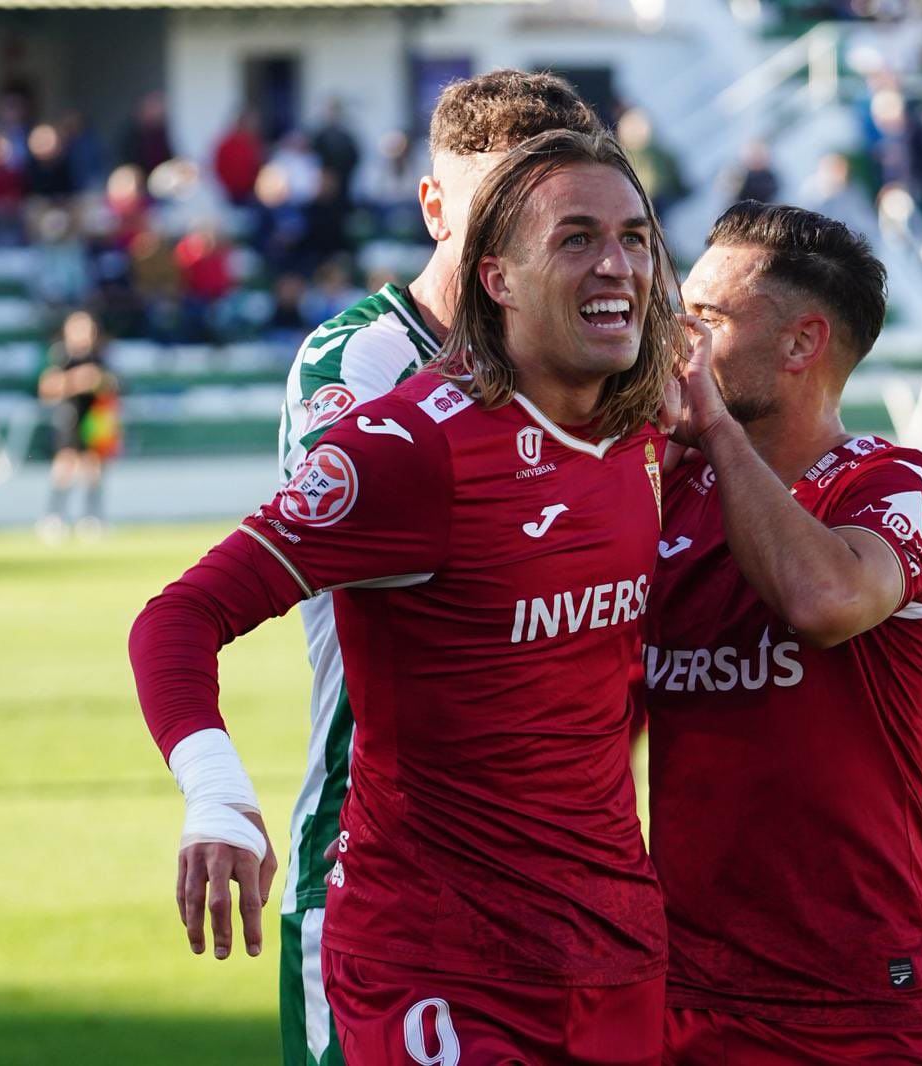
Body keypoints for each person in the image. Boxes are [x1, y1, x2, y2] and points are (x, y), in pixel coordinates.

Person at [128, 127, 680, 1064]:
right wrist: (216, 793)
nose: (617, 265)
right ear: (496, 279)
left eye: (635, 237)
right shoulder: (409, 449)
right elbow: (178, 618)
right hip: (440, 966)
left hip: (612, 951)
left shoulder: (645, 435)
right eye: (577, 238)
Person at [270, 72, 603, 1066]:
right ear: (432, 208)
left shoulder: (591, 363)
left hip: (562, 865)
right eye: (492, 203)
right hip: (378, 853)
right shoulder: (360, 362)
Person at [646, 201, 922, 1063]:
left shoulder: (891, 482)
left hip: (854, 989)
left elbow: (823, 601)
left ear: (801, 345)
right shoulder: (670, 492)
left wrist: (711, 426)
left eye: (708, 318)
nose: (677, 336)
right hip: (683, 982)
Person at [37, 309, 117, 542]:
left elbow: (111, 383)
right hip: (69, 416)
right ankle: (53, 517)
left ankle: (92, 518)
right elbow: (46, 388)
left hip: (93, 418)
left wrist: (99, 382)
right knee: (65, 466)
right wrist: (78, 381)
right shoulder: (60, 356)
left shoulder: (99, 357)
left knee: (93, 469)